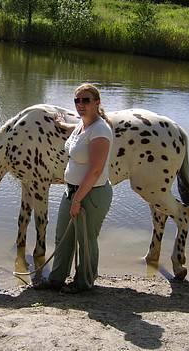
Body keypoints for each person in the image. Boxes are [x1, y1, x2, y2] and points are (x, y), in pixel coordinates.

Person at [34, 83, 113, 294]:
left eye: (86, 100)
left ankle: (83, 283)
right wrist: (63, 125)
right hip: (73, 190)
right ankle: (56, 280)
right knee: (63, 237)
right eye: (77, 101)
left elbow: (96, 170)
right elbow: (78, 132)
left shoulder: (101, 131)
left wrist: (78, 199)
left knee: (85, 240)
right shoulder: (83, 125)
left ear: (97, 102)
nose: (80, 105)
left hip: (91, 194)